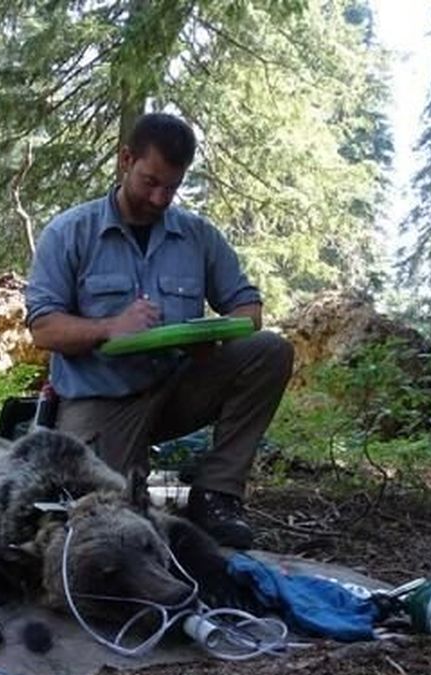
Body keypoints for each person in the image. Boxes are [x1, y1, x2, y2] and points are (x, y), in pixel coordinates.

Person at [24, 112, 293, 549]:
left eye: (172, 186)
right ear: (125, 159)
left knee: (269, 351)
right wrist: (111, 327)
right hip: (100, 400)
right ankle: (131, 480)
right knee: (110, 518)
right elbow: (45, 329)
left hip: (173, 389)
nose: (160, 197)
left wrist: (216, 333)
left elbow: (249, 307)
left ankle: (217, 495)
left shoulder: (197, 236)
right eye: (150, 182)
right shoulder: (71, 232)